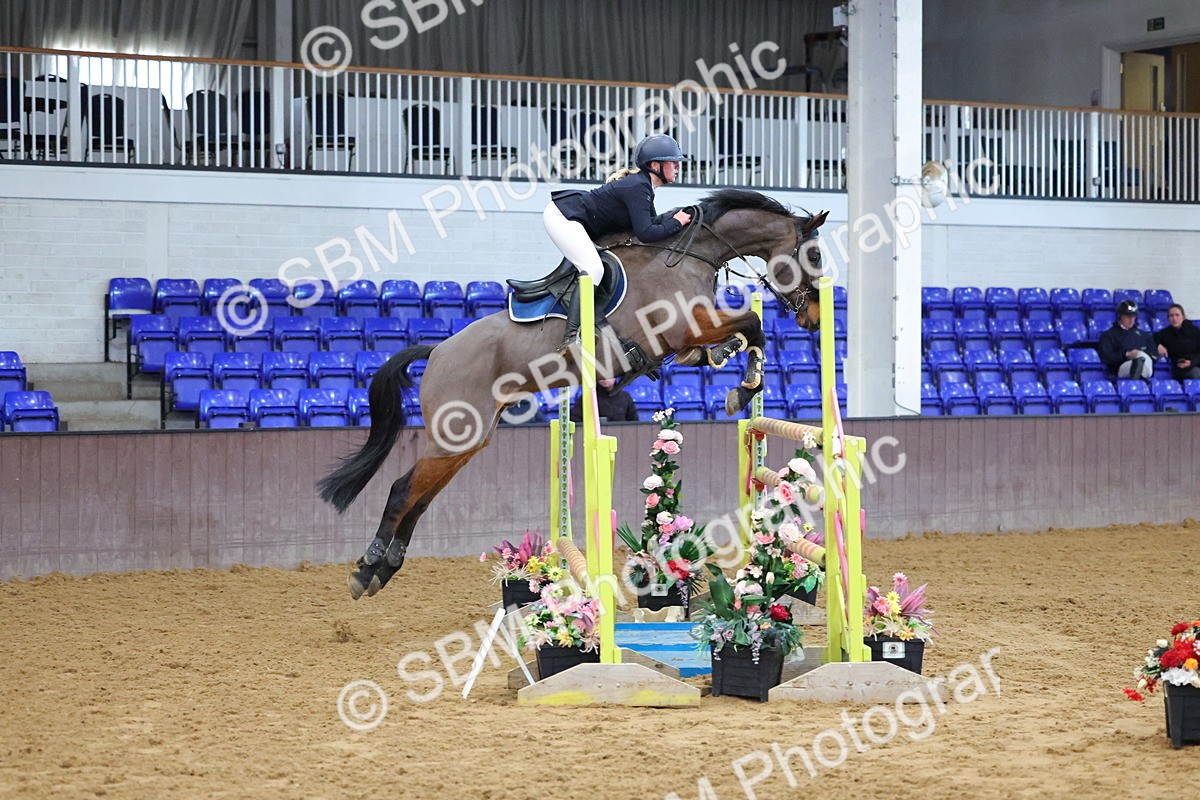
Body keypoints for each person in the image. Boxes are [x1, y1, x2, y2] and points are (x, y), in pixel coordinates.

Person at [543, 133, 693, 353]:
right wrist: (677, 223)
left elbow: (651, 224)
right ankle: (570, 338)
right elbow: (647, 233)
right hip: (562, 216)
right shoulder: (638, 187)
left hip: (574, 218)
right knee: (593, 269)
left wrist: (675, 220)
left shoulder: (644, 187)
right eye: (673, 162)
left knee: (595, 268)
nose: (678, 167)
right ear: (655, 165)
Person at [1098, 299, 1156, 379]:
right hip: (1120, 368)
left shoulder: (1143, 335)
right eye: (1128, 316)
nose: (1131, 320)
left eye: (1133, 316)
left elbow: (1154, 354)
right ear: (1120, 316)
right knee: (1139, 360)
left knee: (1142, 358)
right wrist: (1126, 354)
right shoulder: (1108, 335)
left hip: (1145, 364)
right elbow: (1108, 357)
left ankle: (1138, 377)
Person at [1153, 303, 1200, 381]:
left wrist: (1192, 362)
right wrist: (1158, 345)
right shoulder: (1164, 334)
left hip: (1195, 363)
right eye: (1171, 316)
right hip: (1180, 369)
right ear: (1168, 319)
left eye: (1177, 315)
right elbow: (1149, 340)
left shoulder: (1195, 332)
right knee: (1196, 373)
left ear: (1183, 317)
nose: (1174, 318)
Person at [569, 378, 639, 422]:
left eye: (609, 375)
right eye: (601, 375)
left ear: (615, 377)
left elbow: (634, 422)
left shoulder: (625, 397)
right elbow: (575, 419)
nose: (605, 378)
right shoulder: (588, 397)